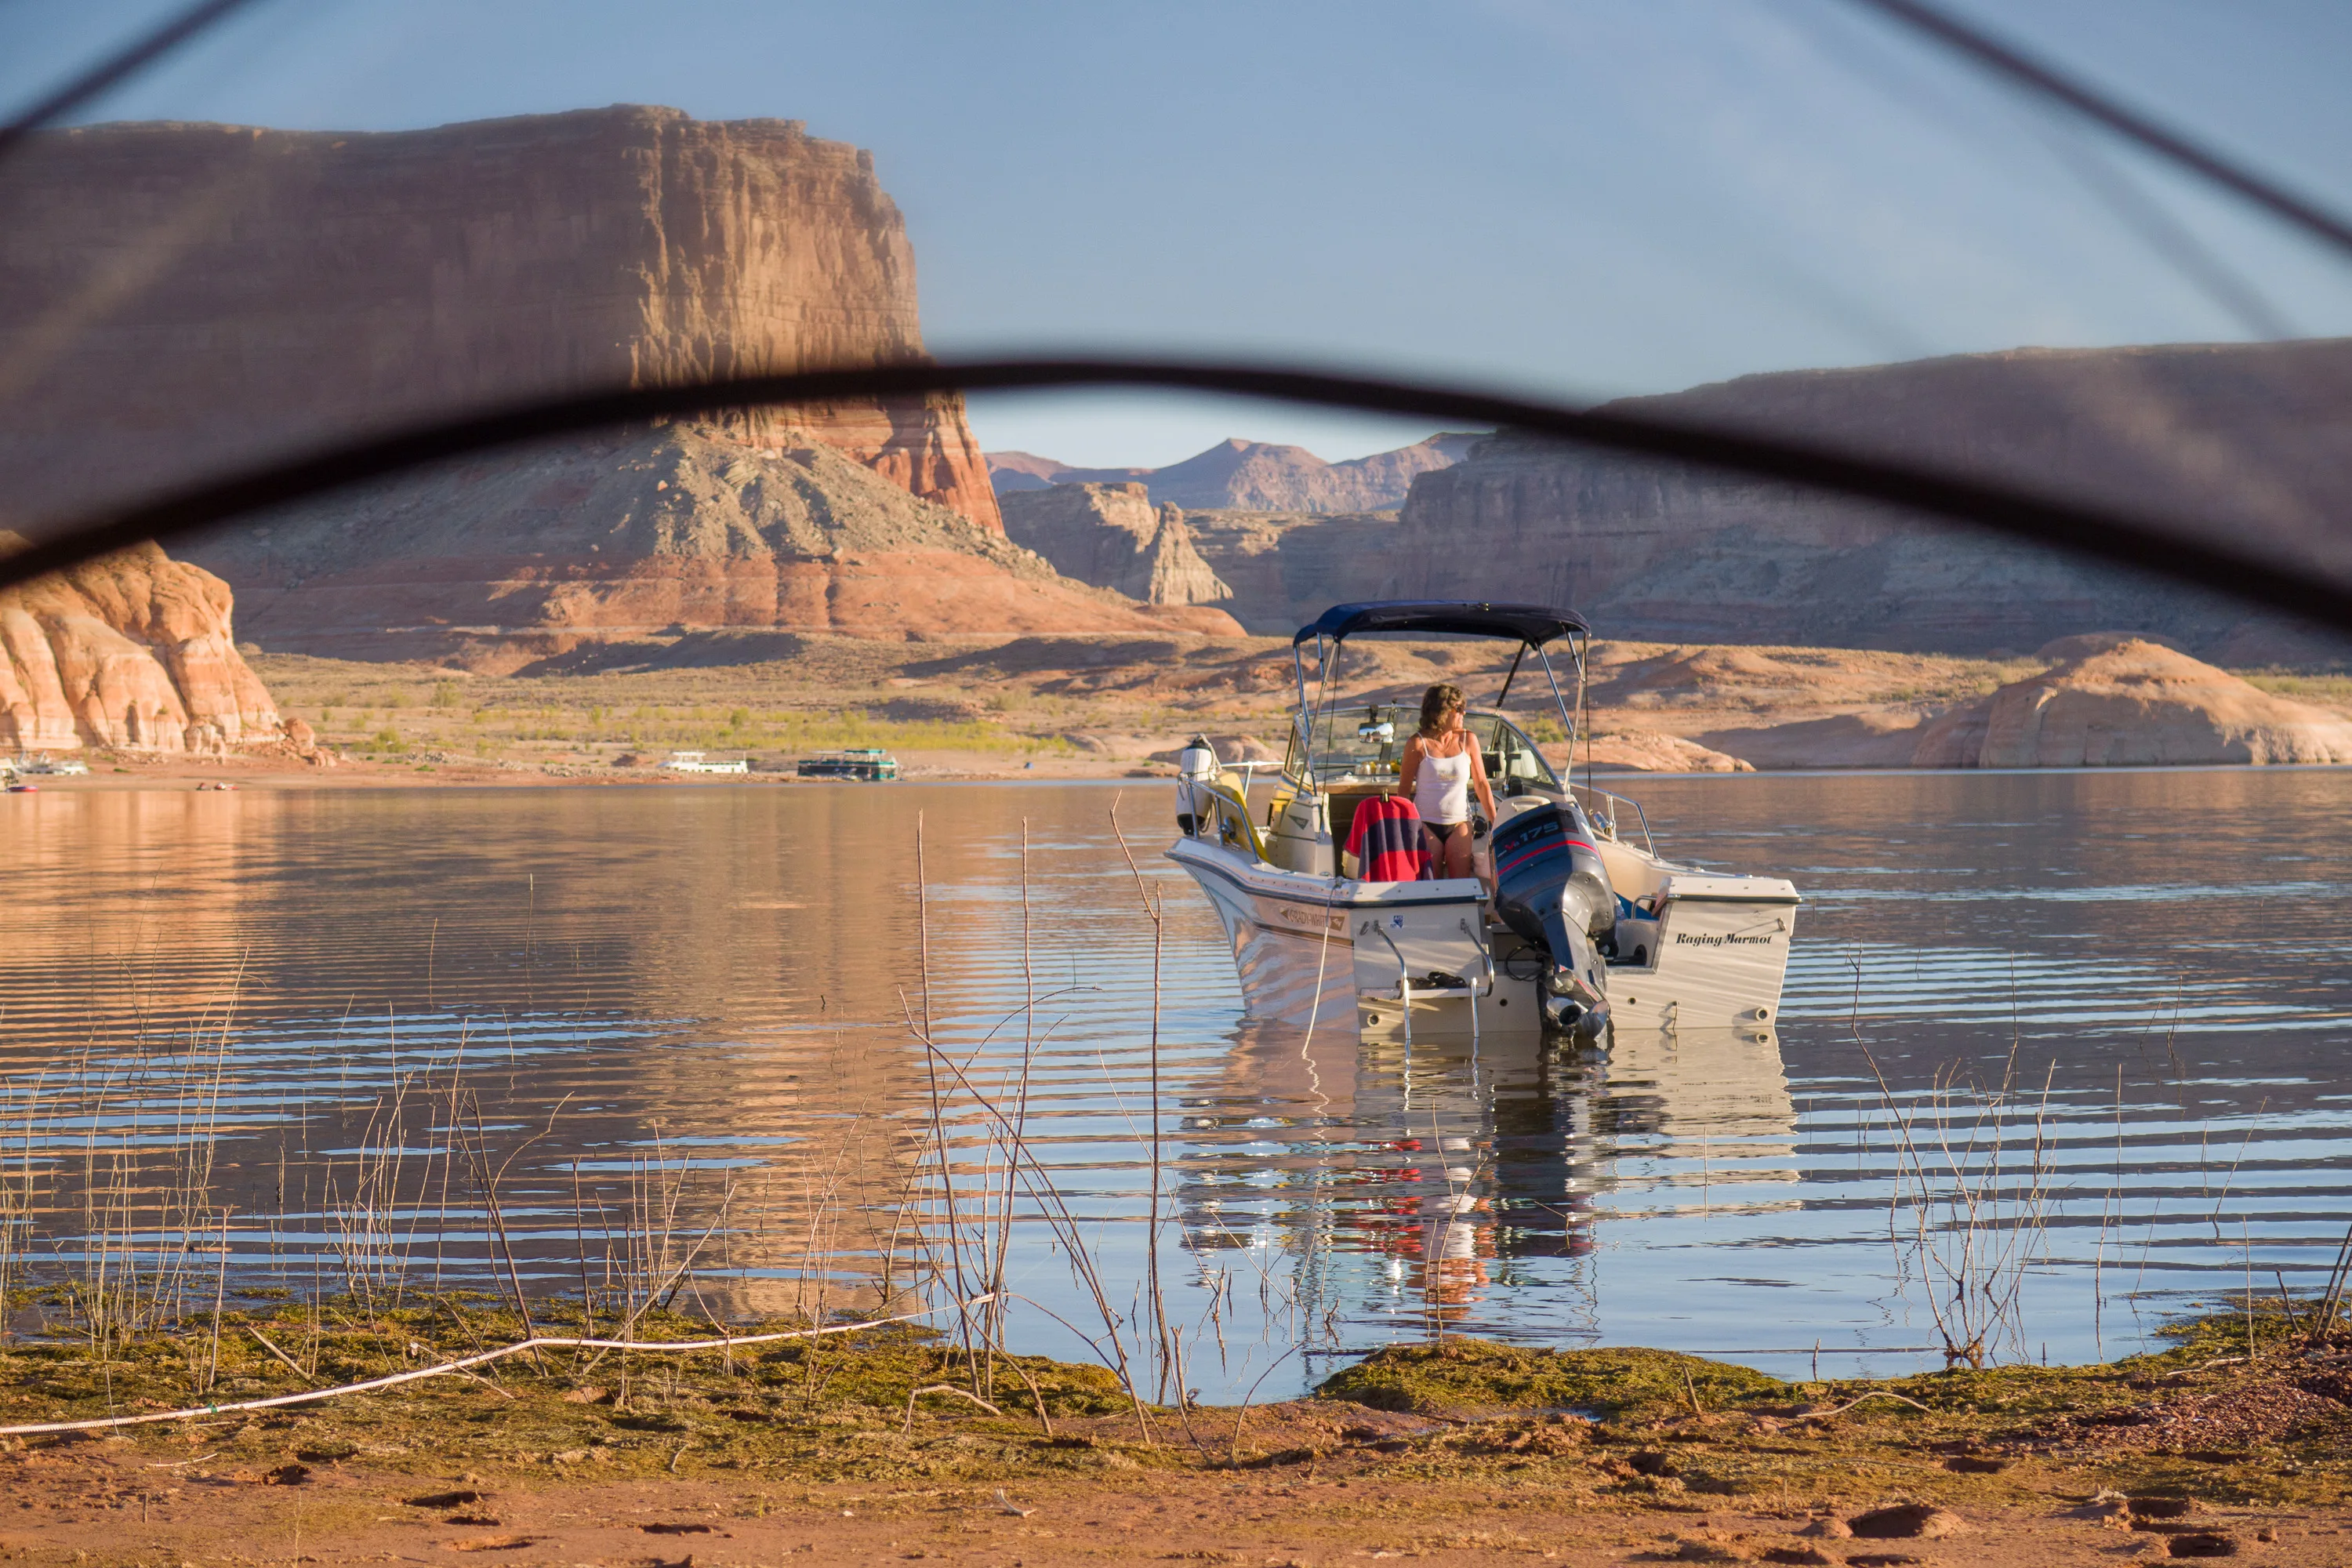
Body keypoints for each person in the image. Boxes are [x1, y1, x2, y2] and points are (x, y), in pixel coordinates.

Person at [1400, 682, 1496, 885]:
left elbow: (1481, 784)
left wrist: (1496, 822)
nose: (1464, 714)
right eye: (1459, 709)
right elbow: (1403, 794)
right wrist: (1402, 833)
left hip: (1460, 822)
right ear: (1442, 711)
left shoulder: (1469, 740)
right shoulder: (1416, 744)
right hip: (1426, 823)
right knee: (1430, 888)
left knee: (1459, 888)